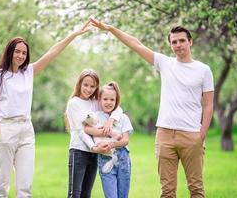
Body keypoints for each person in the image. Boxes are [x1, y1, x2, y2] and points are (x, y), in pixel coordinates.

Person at [90, 17, 214, 198]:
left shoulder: (203, 70)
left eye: (181, 41)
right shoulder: (166, 63)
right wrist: (110, 28)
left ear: (190, 42)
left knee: (196, 189)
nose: (178, 45)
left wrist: (200, 136)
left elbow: (209, 105)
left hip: (191, 135)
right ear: (170, 45)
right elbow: (136, 44)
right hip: (164, 136)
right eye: (174, 42)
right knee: (167, 191)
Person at [0, 21, 90, 198]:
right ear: (10, 52)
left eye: (24, 53)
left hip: (26, 130)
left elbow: (52, 52)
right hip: (6, 129)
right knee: (0, 187)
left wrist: (74, 35)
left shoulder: (29, 72)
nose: (20, 55)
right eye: (17, 51)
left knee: (25, 188)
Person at [65, 69, 123, 198]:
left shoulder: (95, 102)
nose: (88, 89)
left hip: (94, 154)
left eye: (92, 86)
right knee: (75, 193)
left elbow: (117, 107)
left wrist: (110, 121)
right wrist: (94, 147)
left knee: (86, 194)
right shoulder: (74, 103)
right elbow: (81, 131)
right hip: (79, 151)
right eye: (86, 85)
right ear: (79, 84)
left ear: (96, 87)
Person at [85, 82, 133, 198]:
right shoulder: (96, 117)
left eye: (112, 99)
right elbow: (86, 128)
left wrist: (112, 143)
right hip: (105, 159)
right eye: (105, 99)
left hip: (123, 160)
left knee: (123, 195)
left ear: (116, 101)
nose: (108, 102)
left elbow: (125, 140)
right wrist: (104, 133)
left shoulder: (123, 117)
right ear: (99, 100)